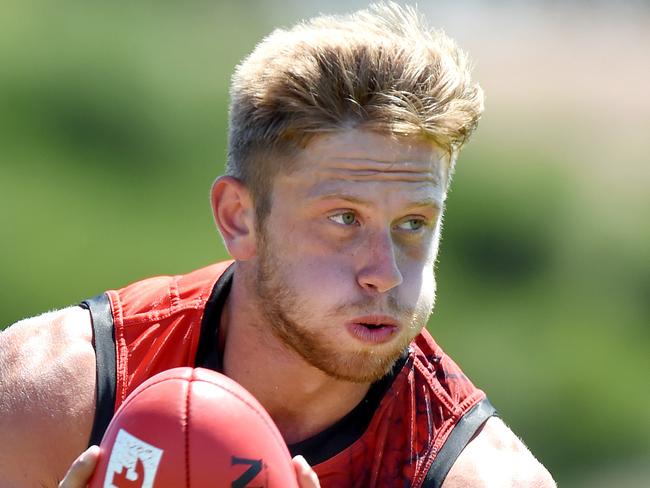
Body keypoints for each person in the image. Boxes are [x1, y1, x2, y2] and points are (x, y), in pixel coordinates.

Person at [0, 3, 556, 487]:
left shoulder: (477, 476)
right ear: (239, 219)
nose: (384, 273)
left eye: (413, 224)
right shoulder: (49, 398)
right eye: (344, 218)